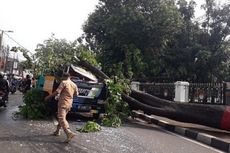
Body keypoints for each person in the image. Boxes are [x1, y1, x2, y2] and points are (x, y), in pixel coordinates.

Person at [45, 72, 79, 143]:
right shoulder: (74, 84)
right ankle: (57, 131)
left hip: (63, 103)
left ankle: (68, 132)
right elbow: (76, 94)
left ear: (63, 77)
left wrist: (48, 97)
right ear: (69, 77)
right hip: (69, 103)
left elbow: (57, 92)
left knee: (61, 118)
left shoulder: (64, 82)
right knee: (61, 117)